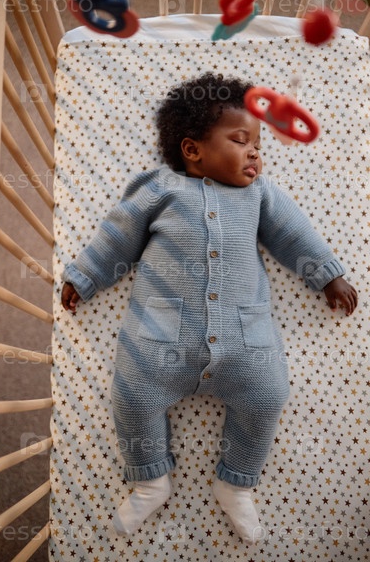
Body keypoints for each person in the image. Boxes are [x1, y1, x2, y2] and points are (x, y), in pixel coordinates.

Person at [61, 72, 358, 543]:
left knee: (268, 396)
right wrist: (87, 275)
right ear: (193, 150)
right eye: (241, 141)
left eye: (258, 144)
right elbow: (118, 235)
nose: (255, 152)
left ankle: (235, 483)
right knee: (132, 397)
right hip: (159, 340)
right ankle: (151, 480)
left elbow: (293, 233)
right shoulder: (161, 188)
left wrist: (326, 274)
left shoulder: (259, 194)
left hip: (245, 342)